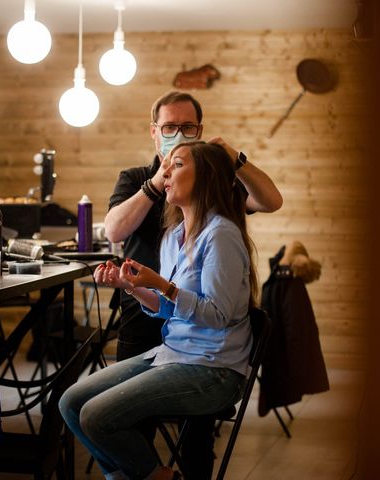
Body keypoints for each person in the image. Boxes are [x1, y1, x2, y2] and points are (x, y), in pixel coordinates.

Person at [101, 90, 282, 478]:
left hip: (206, 340)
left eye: (188, 127)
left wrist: (235, 159)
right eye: (170, 127)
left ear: (200, 130)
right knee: (123, 422)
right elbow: (114, 229)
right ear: (155, 132)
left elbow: (270, 201)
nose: (179, 134)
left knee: (195, 438)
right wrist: (158, 182)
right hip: (147, 315)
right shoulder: (139, 180)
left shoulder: (215, 191)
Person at [59, 141, 258, 480]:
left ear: (205, 176)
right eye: (166, 167)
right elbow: (169, 309)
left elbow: (217, 316)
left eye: (177, 165)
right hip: (174, 353)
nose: (165, 174)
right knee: (71, 404)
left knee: (96, 417)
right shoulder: (174, 235)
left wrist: (162, 285)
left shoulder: (221, 235)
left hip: (214, 370)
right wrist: (132, 287)